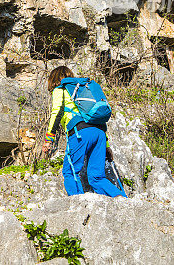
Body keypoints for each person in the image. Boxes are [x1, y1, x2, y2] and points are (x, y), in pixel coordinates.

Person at [41, 65, 126, 198]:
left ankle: (78, 203)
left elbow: (56, 113)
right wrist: (107, 146)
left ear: (53, 80)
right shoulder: (80, 91)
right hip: (99, 134)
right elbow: (97, 119)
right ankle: (121, 200)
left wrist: (48, 139)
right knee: (96, 177)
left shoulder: (60, 89)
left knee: (70, 171)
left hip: (80, 133)